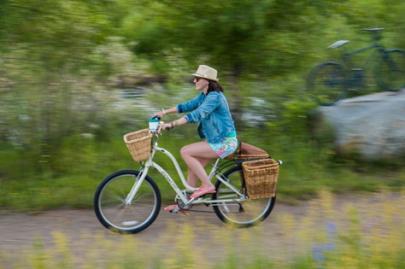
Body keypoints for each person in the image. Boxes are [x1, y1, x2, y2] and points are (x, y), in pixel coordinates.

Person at [153, 65, 238, 212]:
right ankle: (185, 203)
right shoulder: (205, 95)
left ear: (207, 81)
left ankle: (207, 186)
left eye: (197, 78)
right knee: (193, 167)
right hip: (214, 141)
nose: (194, 80)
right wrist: (164, 112)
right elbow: (188, 106)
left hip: (225, 142)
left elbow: (196, 114)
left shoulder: (215, 97)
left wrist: (170, 125)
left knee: (185, 151)